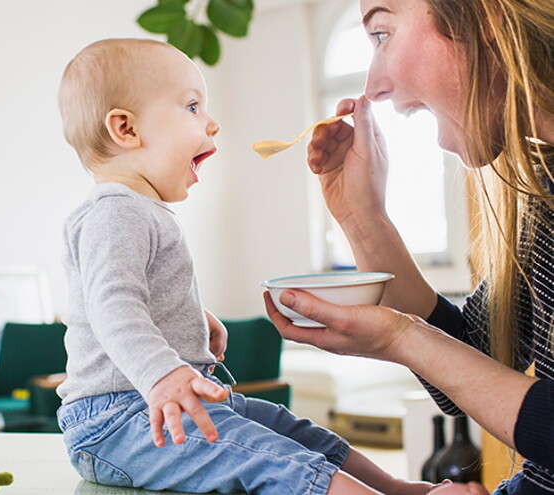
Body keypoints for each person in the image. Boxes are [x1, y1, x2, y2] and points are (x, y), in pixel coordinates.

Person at [54, 37, 475, 495]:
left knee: (286, 428)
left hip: (153, 403)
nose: (212, 124)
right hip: (119, 421)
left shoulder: (139, 209)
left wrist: (188, 321)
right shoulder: (114, 211)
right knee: (264, 456)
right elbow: (111, 307)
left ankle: (395, 487)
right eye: (192, 107)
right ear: (125, 129)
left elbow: (135, 296)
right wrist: (164, 373)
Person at [264, 0, 553, 494]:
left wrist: (401, 338)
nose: (373, 83)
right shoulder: (545, 199)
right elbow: (478, 362)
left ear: (486, 21)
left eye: (381, 34)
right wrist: (363, 218)